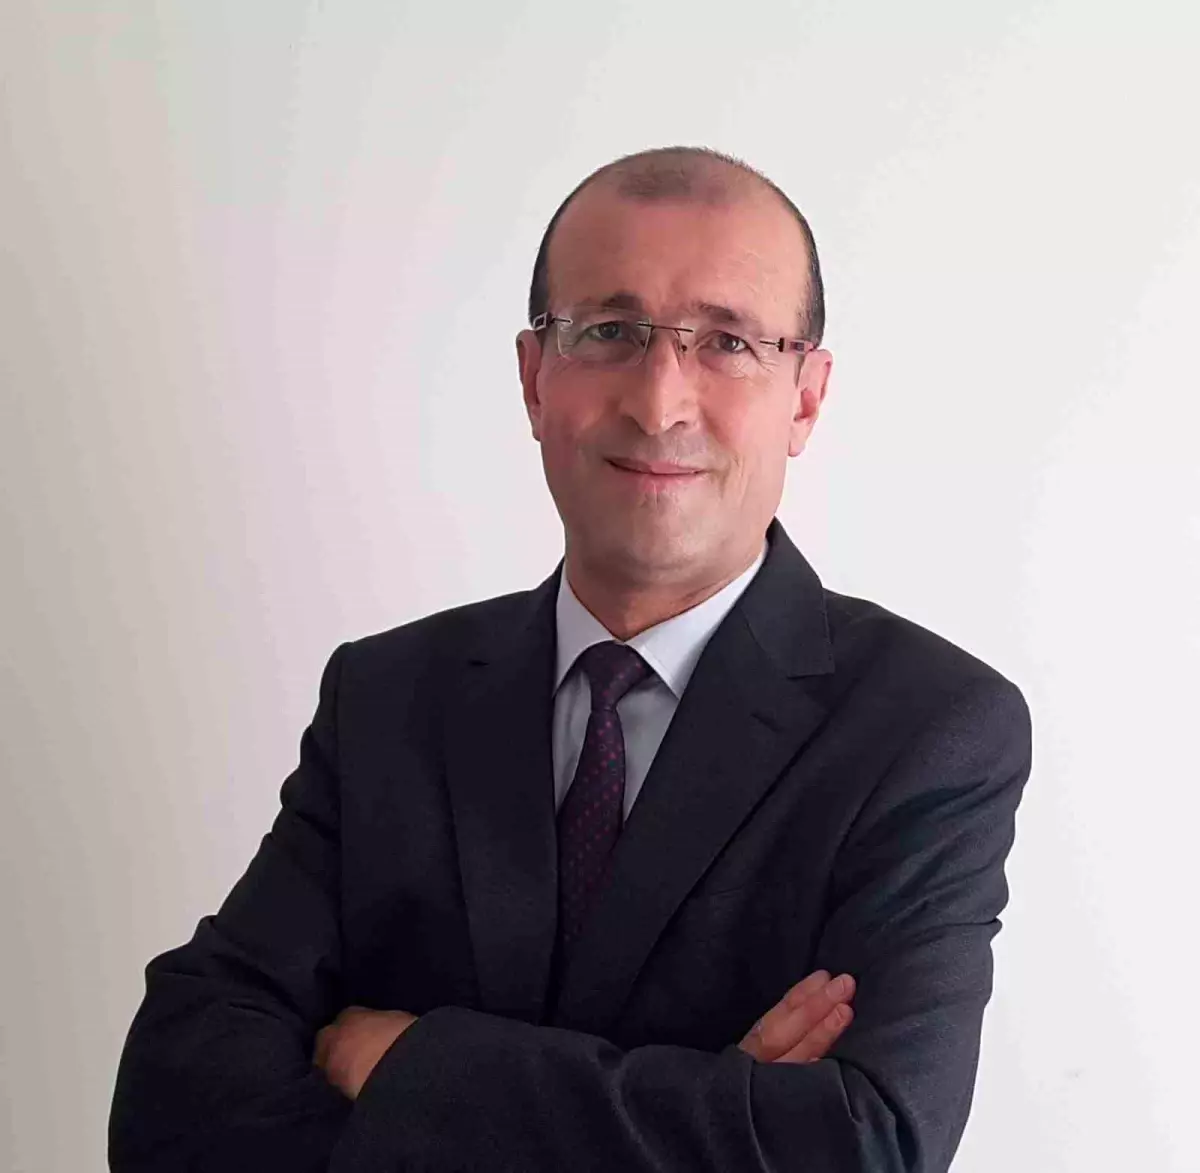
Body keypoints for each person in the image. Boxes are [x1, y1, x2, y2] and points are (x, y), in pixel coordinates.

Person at [108, 146, 1032, 1173]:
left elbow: (864, 1147)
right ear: (534, 377)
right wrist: (709, 1117)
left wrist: (409, 1063)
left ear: (805, 399)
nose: (660, 402)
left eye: (728, 342)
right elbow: (173, 1097)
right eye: (609, 332)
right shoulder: (388, 698)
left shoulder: (927, 731)